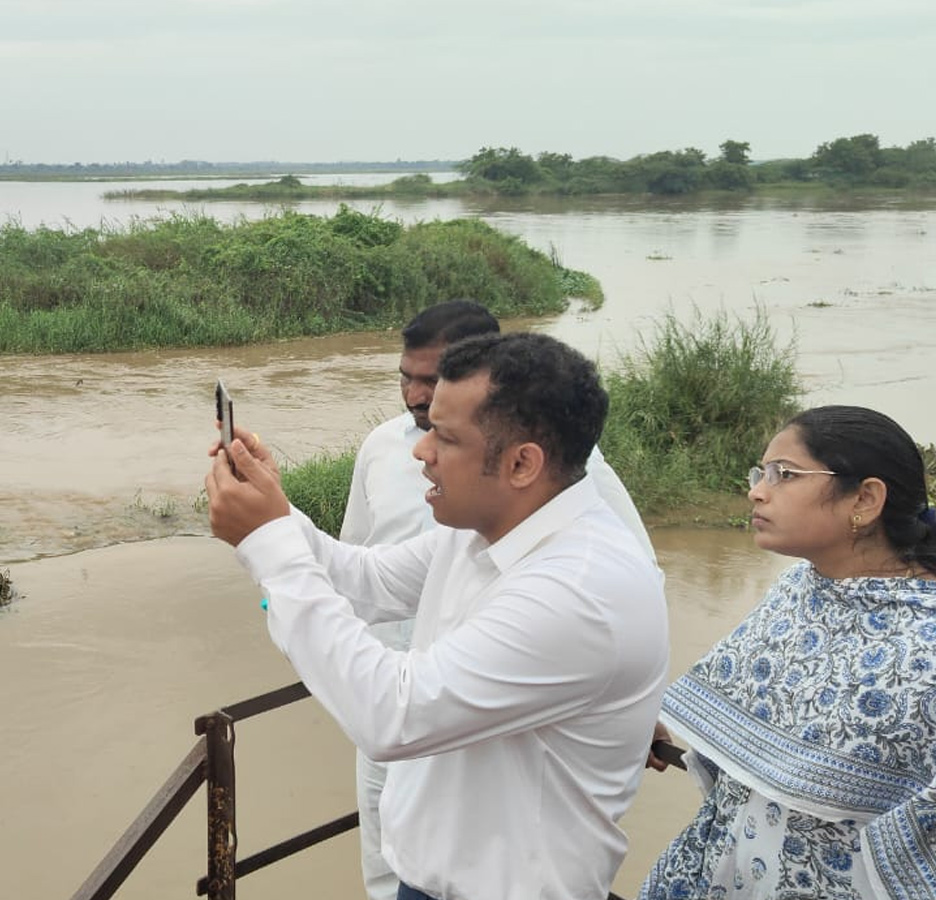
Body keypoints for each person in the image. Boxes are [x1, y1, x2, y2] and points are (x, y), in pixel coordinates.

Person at [207, 332, 669, 900]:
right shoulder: (489, 531)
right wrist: (275, 508)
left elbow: (392, 715)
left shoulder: (581, 590)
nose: (420, 452)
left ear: (523, 462)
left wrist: (268, 544)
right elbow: (364, 580)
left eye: (444, 437)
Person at [342, 300, 657, 900]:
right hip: (388, 689)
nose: (415, 402)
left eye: (432, 384)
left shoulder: (574, 494)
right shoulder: (387, 453)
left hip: (473, 720)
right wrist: (275, 542)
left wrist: (622, 702)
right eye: (405, 378)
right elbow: (361, 563)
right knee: (389, 842)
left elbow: (628, 596)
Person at [640, 405, 936, 900]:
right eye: (760, 473)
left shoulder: (926, 635)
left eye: (785, 474)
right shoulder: (801, 587)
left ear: (865, 498)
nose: (757, 489)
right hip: (724, 866)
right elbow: (759, 720)